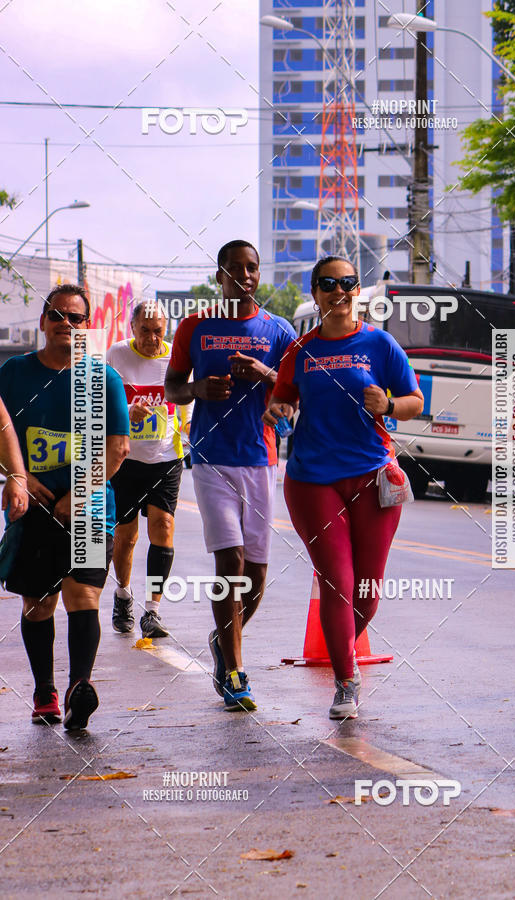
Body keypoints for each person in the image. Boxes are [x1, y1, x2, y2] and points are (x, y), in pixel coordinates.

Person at [263, 256, 424, 720]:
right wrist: (279, 412)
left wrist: (390, 402)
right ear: (315, 293)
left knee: (367, 594)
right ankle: (345, 680)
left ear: (358, 291)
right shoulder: (300, 350)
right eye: (329, 284)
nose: (340, 290)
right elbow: (282, 402)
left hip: (373, 478)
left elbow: (414, 402)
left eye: (348, 283)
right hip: (314, 479)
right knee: (338, 582)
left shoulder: (381, 344)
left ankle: (341, 651)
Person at [165, 240, 296, 711]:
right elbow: (173, 388)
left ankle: (224, 641)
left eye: (253, 268)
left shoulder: (278, 330)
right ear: (219, 275)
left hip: (260, 458)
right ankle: (236, 671)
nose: (245, 275)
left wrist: (263, 373)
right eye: (236, 268)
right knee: (231, 560)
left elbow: (295, 392)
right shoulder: (195, 326)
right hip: (211, 456)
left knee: (257, 572)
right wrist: (200, 387)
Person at [0, 284, 129, 729]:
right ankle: (45, 691)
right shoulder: (14, 374)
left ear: (86, 326)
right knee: (39, 602)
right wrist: (23, 478)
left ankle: (79, 688)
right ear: (43, 322)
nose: (65, 324)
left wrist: (80, 493)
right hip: (31, 508)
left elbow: (117, 448)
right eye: (57, 315)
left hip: (90, 507)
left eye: (76, 318)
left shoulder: (103, 378)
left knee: (83, 594)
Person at [108, 303, 186, 638]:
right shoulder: (117, 355)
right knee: (126, 538)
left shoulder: (176, 359)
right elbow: (100, 402)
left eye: (158, 330)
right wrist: (126, 411)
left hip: (166, 457)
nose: (153, 338)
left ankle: (152, 610)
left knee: (163, 527)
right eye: (145, 330)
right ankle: (123, 594)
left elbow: (185, 400)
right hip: (125, 460)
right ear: (132, 327)